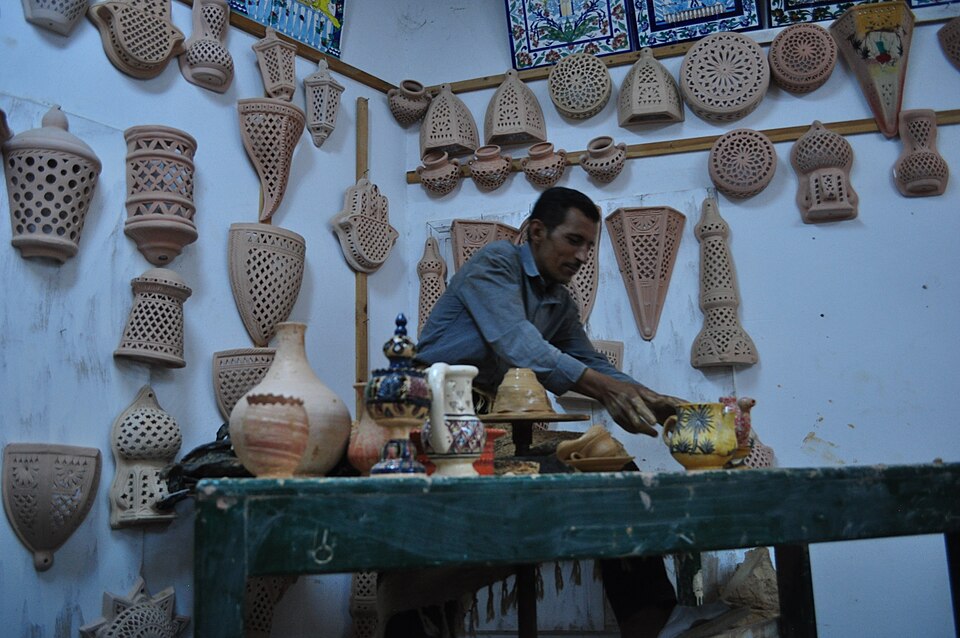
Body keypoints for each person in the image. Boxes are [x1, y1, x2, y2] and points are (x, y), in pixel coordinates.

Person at [413, 187, 685, 638]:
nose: (583, 256)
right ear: (537, 232)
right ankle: (414, 617)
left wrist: (654, 398)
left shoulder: (559, 300)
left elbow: (591, 363)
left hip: (492, 425)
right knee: (427, 528)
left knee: (614, 471)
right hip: (431, 412)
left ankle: (654, 624)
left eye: (590, 246)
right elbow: (517, 343)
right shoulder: (496, 263)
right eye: (574, 240)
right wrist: (605, 390)